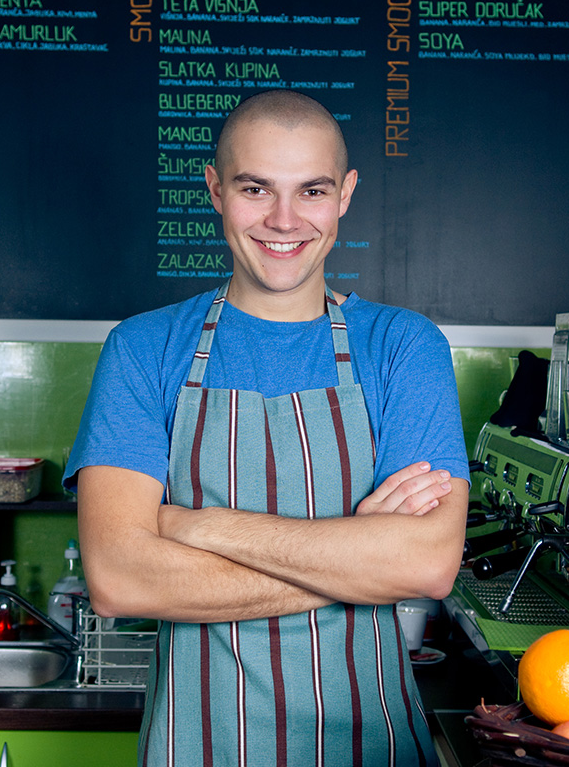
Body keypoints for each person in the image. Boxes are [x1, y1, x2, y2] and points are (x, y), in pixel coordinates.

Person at [63, 90, 470, 767]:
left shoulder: (403, 347)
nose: (284, 220)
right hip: (197, 749)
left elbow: (426, 563)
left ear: (345, 194)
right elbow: (120, 580)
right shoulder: (142, 348)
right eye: (257, 189)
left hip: (375, 751)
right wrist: (362, 557)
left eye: (311, 191)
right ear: (216, 190)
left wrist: (196, 525)